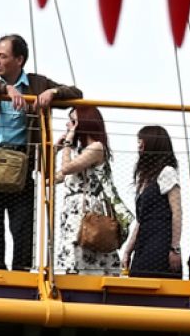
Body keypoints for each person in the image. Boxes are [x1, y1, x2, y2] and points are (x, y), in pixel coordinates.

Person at [0, 35, 81, 270]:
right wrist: (4, 88)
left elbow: (76, 93)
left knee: (23, 230)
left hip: (21, 165)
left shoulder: (36, 83)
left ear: (19, 59)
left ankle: (22, 278)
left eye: (3, 56)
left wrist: (54, 92)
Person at [54, 106, 126, 275]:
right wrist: (55, 150)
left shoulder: (96, 147)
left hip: (86, 208)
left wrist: (67, 143)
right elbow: (53, 178)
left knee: (84, 246)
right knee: (73, 250)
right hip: (72, 209)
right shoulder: (79, 151)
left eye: (73, 122)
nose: (68, 126)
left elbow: (66, 168)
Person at [120, 125, 182, 278]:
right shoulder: (145, 178)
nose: (139, 145)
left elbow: (177, 212)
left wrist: (174, 249)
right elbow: (141, 220)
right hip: (144, 242)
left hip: (160, 241)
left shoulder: (167, 172)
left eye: (142, 140)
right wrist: (128, 250)